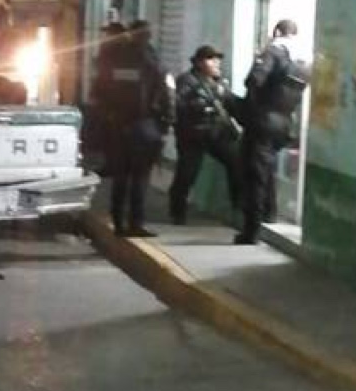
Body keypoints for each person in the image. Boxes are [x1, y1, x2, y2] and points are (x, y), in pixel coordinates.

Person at [91, 19, 171, 237]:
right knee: (140, 178)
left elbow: (98, 92)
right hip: (144, 126)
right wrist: (166, 123)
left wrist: (108, 117)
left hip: (118, 125)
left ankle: (119, 222)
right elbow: (165, 92)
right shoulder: (152, 59)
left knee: (121, 176)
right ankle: (135, 223)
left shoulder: (113, 57)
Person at [236, 18, 310, 243]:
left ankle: (251, 230)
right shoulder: (302, 59)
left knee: (254, 174)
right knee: (267, 170)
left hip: (263, 120)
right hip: (284, 123)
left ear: (277, 31)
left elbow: (253, 81)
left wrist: (249, 110)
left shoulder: (273, 51)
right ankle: (270, 213)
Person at [169, 45, 242, 225]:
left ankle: (239, 207)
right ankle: (177, 211)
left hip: (215, 133)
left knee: (237, 161)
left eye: (217, 60)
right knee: (187, 173)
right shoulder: (187, 81)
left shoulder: (219, 83)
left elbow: (233, 104)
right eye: (211, 59)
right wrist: (198, 106)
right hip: (193, 135)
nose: (216, 63)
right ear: (199, 63)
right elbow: (178, 105)